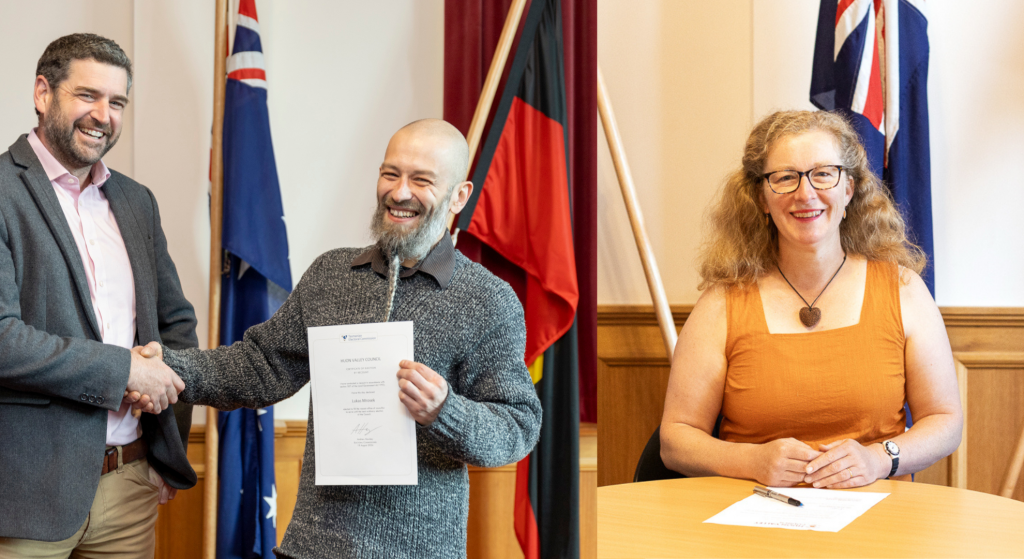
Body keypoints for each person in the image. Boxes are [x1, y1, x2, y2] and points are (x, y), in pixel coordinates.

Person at [139, 119, 542, 558]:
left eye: (421, 180)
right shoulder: (331, 274)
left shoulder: (488, 299)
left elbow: (517, 427)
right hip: (313, 546)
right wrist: (166, 367)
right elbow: (260, 368)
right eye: (391, 173)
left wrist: (444, 410)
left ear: (459, 196)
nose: (400, 192)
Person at [660, 110, 962, 489]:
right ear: (762, 197)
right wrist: (752, 459)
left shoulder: (903, 290)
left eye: (823, 174)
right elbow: (675, 440)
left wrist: (878, 459)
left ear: (849, 188)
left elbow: (945, 421)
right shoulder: (722, 304)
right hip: (753, 522)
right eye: (785, 177)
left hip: (879, 523)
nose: (805, 194)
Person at [0, 33, 197, 556]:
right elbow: (2, 338)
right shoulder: (1, 192)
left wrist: (166, 451)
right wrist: (125, 370)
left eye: (117, 103)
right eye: (87, 96)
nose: (102, 115)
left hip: (130, 486)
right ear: (43, 93)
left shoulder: (135, 201)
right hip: (23, 495)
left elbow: (175, 324)